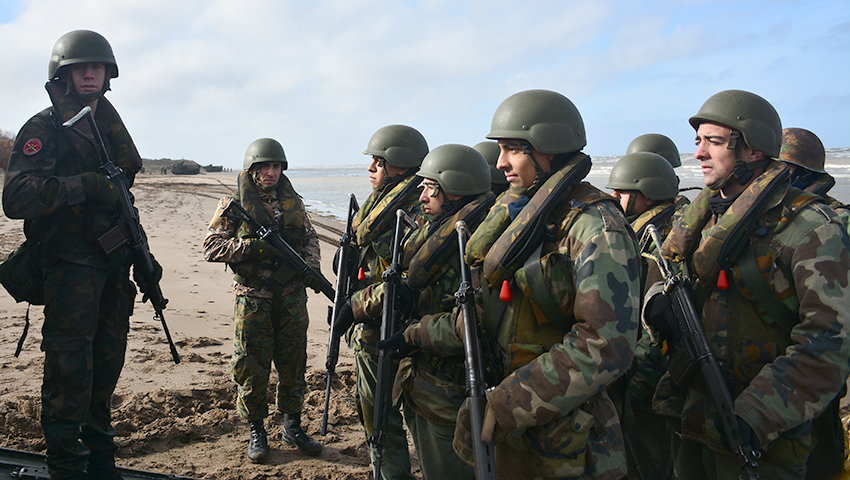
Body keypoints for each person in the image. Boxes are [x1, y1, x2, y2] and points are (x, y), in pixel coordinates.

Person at [644, 90, 850, 479]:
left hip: (764, 434)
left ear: (753, 151)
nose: (700, 154)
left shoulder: (811, 229)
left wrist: (757, 415)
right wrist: (657, 307)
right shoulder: (698, 223)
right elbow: (664, 277)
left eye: (714, 142)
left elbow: (830, 343)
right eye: (698, 142)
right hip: (691, 422)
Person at [453, 89, 641, 479]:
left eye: (513, 149)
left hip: (567, 442)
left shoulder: (595, 227)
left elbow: (607, 345)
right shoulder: (520, 215)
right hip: (508, 420)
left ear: (549, 149)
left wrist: (508, 403)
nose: (501, 162)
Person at [2, 30, 148, 480]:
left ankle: (100, 459)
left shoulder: (110, 129)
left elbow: (122, 198)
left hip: (111, 266)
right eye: (80, 67)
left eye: (97, 67)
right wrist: (79, 187)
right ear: (63, 74)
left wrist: (142, 253)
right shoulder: (45, 128)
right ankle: (65, 462)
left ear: (108, 75)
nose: (89, 73)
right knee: (69, 368)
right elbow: (16, 198)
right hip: (68, 267)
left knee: (107, 363)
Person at [352, 144, 495, 480]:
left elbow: (470, 323)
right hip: (420, 379)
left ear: (456, 190)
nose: (423, 196)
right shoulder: (436, 231)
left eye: (432, 188)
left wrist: (411, 334)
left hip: (447, 389)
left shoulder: (469, 244)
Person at [203, 138, 323, 463]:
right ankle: (257, 428)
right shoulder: (233, 205)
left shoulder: (293, 201)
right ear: (253, 169)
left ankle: (292, 424)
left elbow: (310, 238)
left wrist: (311, 268)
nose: (271, 172)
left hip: (291, 298)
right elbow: (211, 246)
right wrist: (252, 249)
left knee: (293, 362)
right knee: (251, 366)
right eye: (265, 166)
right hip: (253, 299)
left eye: (276, 166)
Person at [333, 124, 429, 480]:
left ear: (401, 166)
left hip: (396, 327)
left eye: (379, 161)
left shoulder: (417, 211)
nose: (371, 168)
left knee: (389, 415)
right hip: (372, 324)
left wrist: (358, 305)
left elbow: (410, 278)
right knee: (373, 411)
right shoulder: (379, 204)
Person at [777, 127, 850, 480]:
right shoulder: (783, 220)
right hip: (798, 358)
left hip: (824, 355)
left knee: (822, 446)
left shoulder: (828, 222)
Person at [606, 151, 683, 479]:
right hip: (645, 377)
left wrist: (634, 388)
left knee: (648, 462)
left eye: (621, 192)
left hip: (648, 383)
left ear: (646, 194)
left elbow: (657, 328)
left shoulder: (658, 244)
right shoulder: (651, 230)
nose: (614, 198)